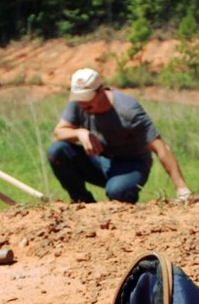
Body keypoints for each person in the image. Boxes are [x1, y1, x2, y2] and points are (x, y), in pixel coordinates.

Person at [47, 68, 191, 204]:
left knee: (118, 192)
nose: (83, 104)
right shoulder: (79, 104)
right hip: (99, 160)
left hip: (131, 165)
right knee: (57, 151)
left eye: (87, 98)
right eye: (79, 98)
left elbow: (160, 147)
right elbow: (59, 131)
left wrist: (181, 188)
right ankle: (83, 203)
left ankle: (122, 205)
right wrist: (79, 133)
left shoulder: (128, 110)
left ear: (101, 91)